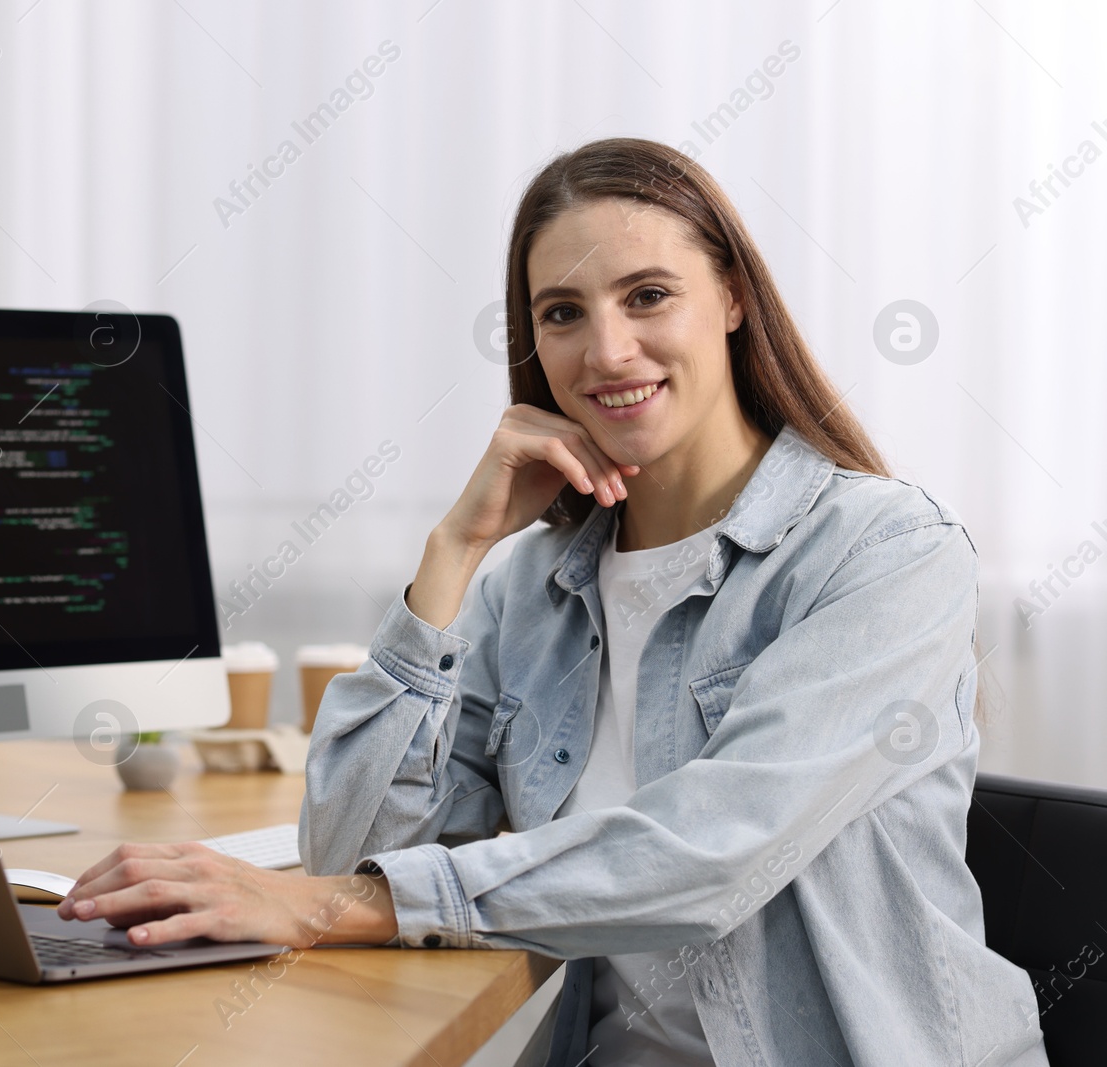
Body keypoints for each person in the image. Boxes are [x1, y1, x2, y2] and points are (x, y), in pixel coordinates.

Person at [58, 138, 1047, 1066]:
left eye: (648, 294)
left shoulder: (882, 550)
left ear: (734, 298)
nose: (607, 350)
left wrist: (325, 902)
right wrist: (452, 553)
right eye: (562, 312)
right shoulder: (529, 583)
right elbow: (352, 855)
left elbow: (714, 851)